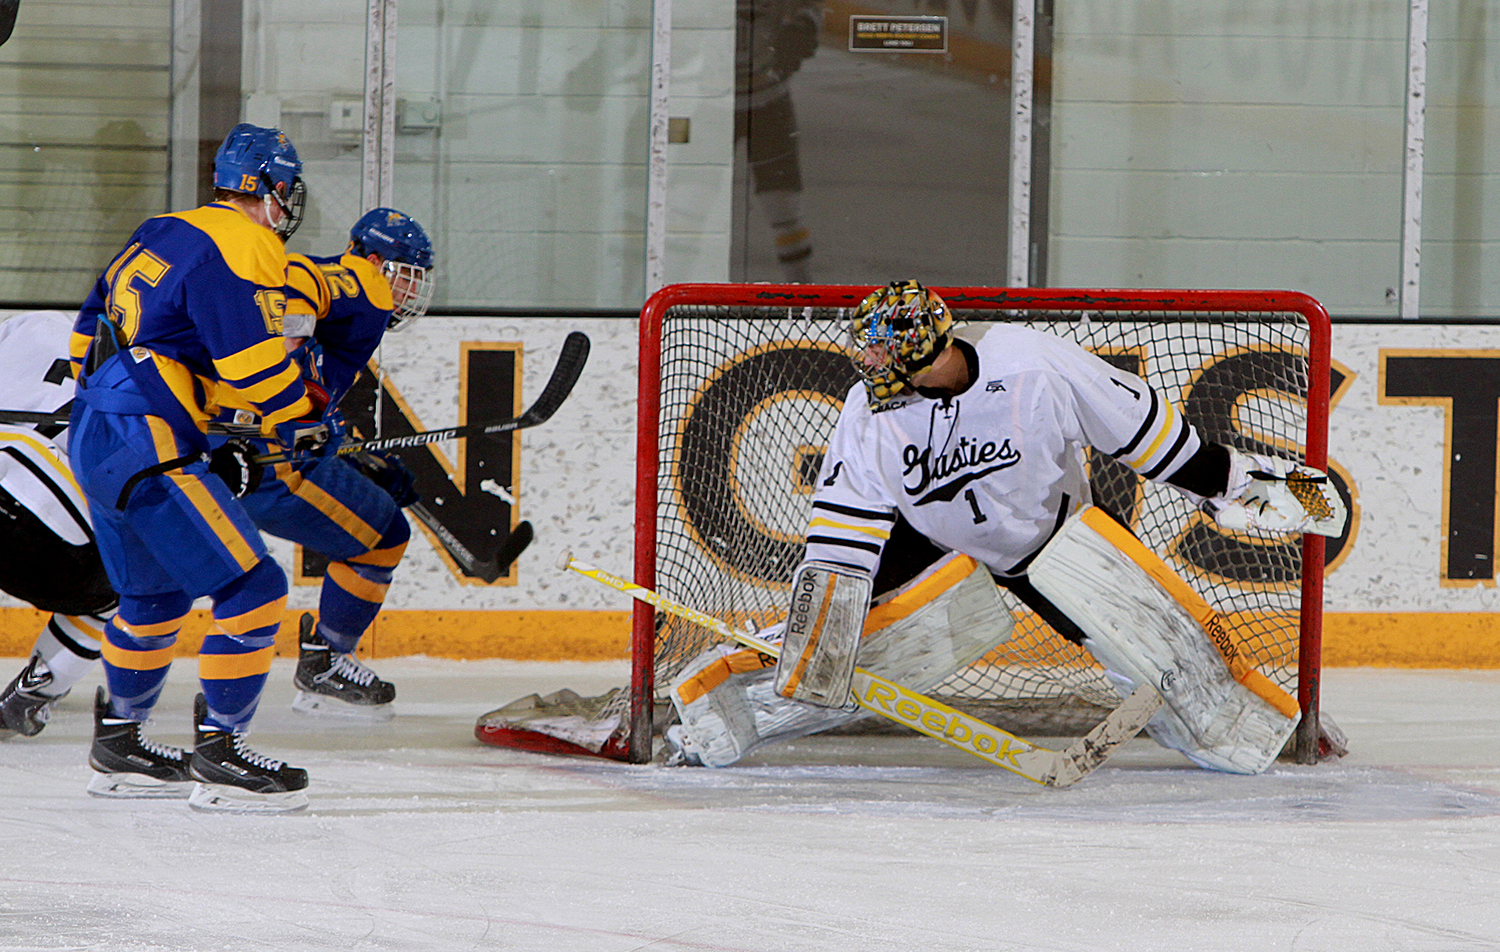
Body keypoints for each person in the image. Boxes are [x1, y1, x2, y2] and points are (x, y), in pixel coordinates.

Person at [665, 279, 1346, 771]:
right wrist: (824, 626)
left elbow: (1147, 437)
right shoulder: (867, 409)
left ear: (935, 354)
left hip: (1051, 540)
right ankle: (713, 719)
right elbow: (846, 524)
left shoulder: (1034, 364)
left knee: (1168, 653)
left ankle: (1248, 733)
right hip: (927, 542)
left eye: (891, 366)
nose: (874, 379)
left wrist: (1239, 483)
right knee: (822, 653)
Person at [65, 122, 316, 813]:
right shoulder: (249, 244)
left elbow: (89, 326)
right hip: (148, 435)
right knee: (256, 590)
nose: (287, 204)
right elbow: (249, 362)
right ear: (267, 188)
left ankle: (121, 745)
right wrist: (300, 420)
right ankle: (221, 755)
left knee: (153, 599)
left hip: (98, 426)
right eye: (285, 188)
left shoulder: (163, 228)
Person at [211, 206, 436, 720]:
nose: (409, 292)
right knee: (385, 537)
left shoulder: (349, 312)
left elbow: (308, 398)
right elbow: (302, 274)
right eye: (407, 277)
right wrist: (286, 338)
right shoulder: (364, 279)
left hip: (226, 448)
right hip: (265, 461)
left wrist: (350, 457)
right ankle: (326, 663)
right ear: (379, 262)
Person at [0, 311, 117, 738]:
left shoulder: (31, 323)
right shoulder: (154, 362)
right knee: (131, 584)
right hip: (57, 532)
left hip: (7, 460)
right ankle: (35, 692)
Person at [736, 0, 822, 282]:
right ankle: (675, 291)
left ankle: (803, 301)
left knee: (783, 205)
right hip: (711, 103)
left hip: (769, 101)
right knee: (689, 198)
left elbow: (809, 7)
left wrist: (805, 25)